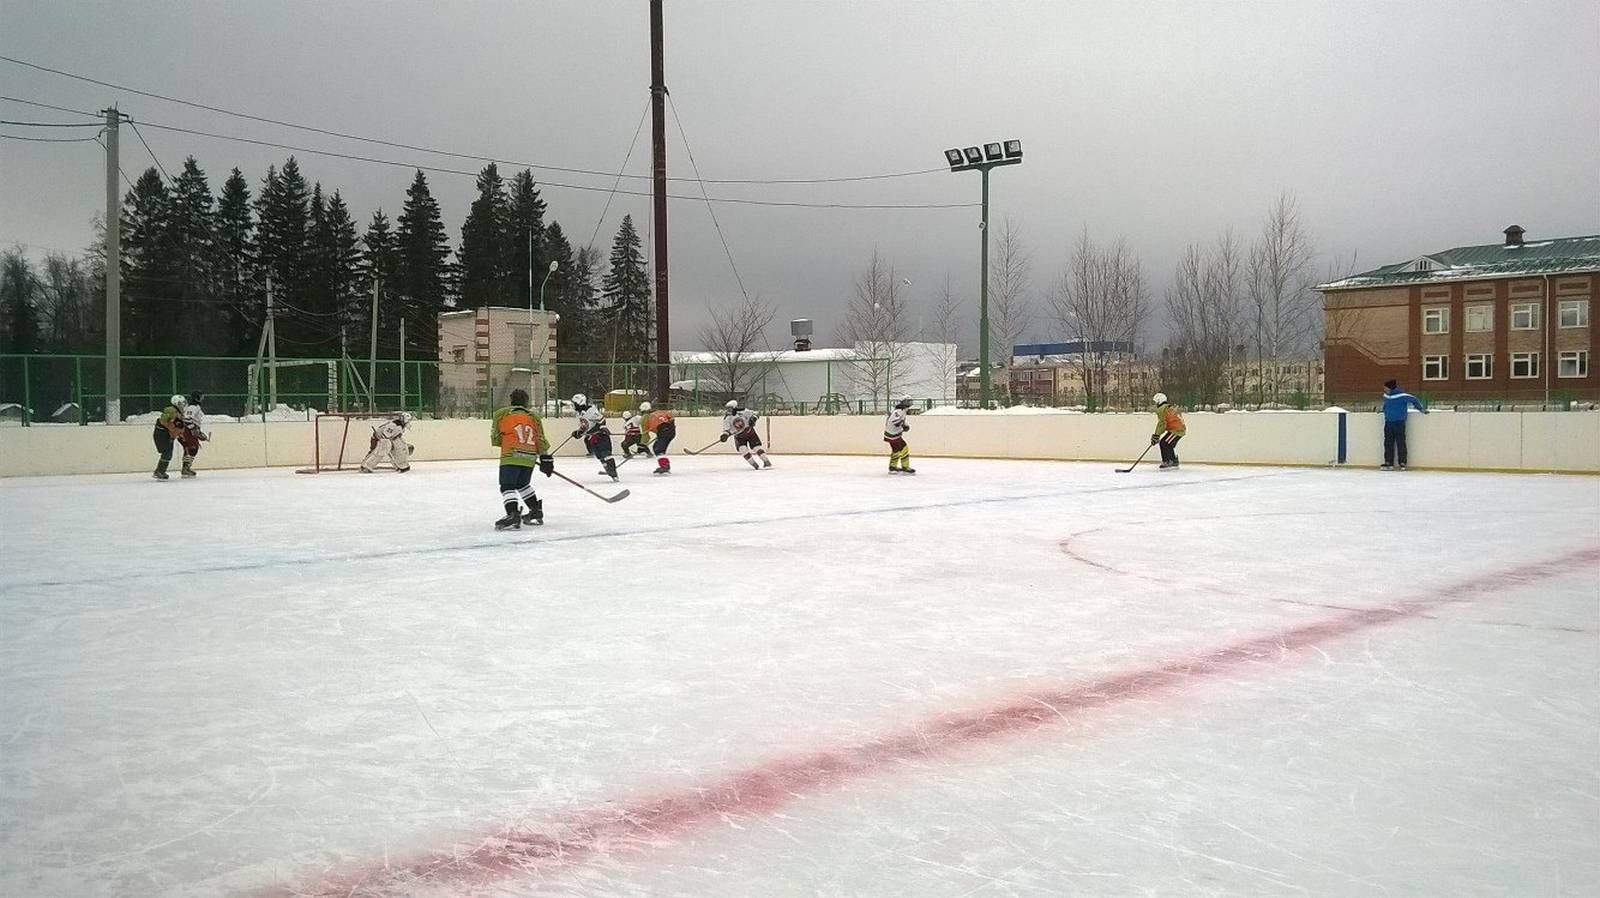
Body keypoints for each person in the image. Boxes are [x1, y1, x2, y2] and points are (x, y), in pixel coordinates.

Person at [491, 389, 554, 530]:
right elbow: (540, 438)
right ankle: (535, 511)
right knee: (522, 484)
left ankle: (512, 514)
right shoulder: (534, 416)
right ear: (526, 402)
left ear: (511, 400)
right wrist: (546, 458)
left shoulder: (501, 414)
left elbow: (496, 438)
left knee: (507, 486)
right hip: (530, 456)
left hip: (511, 455)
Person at [1381, 378, 1427, 470]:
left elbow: (1414, 399)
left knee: (1400, 442)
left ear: (1391, 388)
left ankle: (1402, 462)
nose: (1384, 389)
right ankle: (1388, 462)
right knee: (1388, 443)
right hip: (1388, 422)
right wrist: (1383, 409)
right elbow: (1386, 405)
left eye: (1385, 388)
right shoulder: (1386, 396)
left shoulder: (1402, 395)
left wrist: (1420, 409)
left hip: (1399, 422)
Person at [571, 393, 617, 481]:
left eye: (574, 403)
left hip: (600, 436)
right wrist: (578, 433)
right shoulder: (580, 413)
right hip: (592, 438)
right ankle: (608, 469)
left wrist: (603, 428)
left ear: (579, 403)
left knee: (606, 453)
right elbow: (585, 426)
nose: (573, 405)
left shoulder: (591, 411)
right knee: (599, 455)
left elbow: (602, 420)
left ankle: (613, 473)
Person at [720, 399, 771, 469]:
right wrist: (725, 435)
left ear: (734, 407)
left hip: (750, 433)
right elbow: (726, 430)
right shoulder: (727, 418)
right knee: (743, 449)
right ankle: (754, 464)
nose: (728, 410)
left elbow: (755, 414)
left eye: (730, 408)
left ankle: (766, 461)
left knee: (756, 448)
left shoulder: (744, 411)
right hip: (739, 436)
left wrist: (753, 419)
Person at [152, 394, 187, 480]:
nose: (183, 405)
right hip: (162, 433)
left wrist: (179, 432)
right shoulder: (170, 410)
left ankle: (160, 471)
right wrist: (172, 428)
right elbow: (163, 421)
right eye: (181, 403)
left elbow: (179, 426)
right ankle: (159, 471)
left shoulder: (179, 413)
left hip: (167, 434)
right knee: (167, 453)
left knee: (168, 453)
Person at [177, 391, 211, 478]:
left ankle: (186, 468)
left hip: (189, 430)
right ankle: (186, 468)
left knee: (190, 448)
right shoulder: (192, 407)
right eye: (201, 396)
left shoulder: (196, 407)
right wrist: (194, 429)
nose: (202, 398)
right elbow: (187, 419)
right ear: (197, 398)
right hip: (187, 430)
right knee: (193, 448)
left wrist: (198, 431)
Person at [1150, 392, 1186, 469]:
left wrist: (1156, 435)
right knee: (1166, 443)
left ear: (1159, 401)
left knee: (1164, 443)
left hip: (1177, 430)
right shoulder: (1168, 407)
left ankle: (1167, 461)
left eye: (1156, 402)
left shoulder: (1161, 409)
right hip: (1179, 429)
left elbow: (1162, 423)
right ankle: (1173, 460)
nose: (1155, 404)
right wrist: (1157, 434)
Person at [640, 400, 676, 475]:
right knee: (660, 448)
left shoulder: (644, 418)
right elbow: (672, 418)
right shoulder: (661, 411)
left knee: (657, 449)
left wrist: (642, 445)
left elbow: (645, 435)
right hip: (671, 431)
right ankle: (665, 465)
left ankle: (664, 466)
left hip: (663, 431)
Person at [883, 396, 915, 474]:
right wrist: (903, 427)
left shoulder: (901, 410)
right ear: (904, 402)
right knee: (904, 449)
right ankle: (905, 467)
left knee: (896, 450)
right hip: (893, 435)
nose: (910, 403)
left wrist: (904, 425)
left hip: (891, 435)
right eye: (908, 401)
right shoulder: (899, 411)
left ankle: (892, 467)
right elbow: (895, 422)